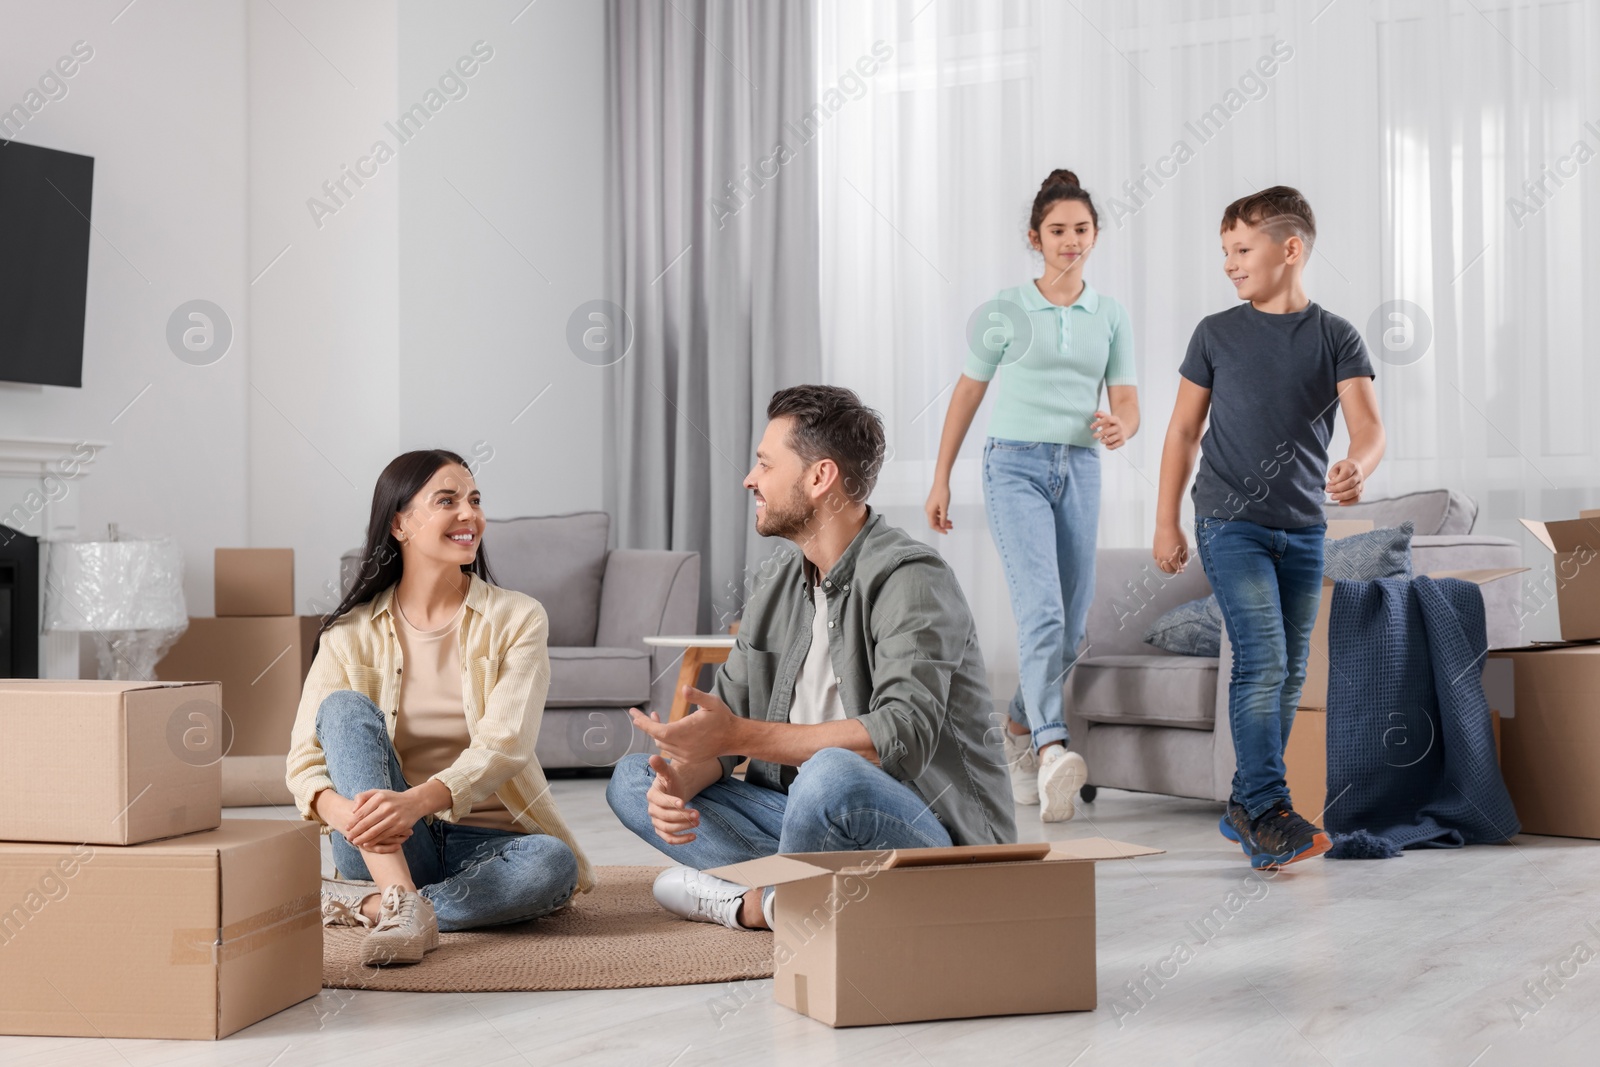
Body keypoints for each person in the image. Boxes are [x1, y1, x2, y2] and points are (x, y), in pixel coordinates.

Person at [608, 385, 1013, 931]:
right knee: (634, 777)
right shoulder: (776, 589)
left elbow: (900, 732)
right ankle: (794, 901)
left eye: (764, 464)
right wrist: (679, 779)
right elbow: (722, 732)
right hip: (804, 823)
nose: (750, 479)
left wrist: (736, 737)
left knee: (830, 776)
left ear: (820, 478)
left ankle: (757, 902)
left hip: (924, 834)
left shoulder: (911, 578)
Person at [1152, 186, 1385, 869]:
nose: (1229, 261)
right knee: (1262, 661)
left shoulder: (1335, 335)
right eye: (1224, 250)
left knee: (1286, 674)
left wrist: (1355, 465)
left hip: (1303, 529)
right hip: (1229, 521)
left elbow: (1368, 427)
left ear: (1290, 250)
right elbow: (1182, 431)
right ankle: (1267, 808)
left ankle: (1246, 807)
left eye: (1242, 248)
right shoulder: (1215, 333)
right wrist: (1166, 521)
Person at [285, 450, 592, 965]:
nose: (469, 515)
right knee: (340, 708)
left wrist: (417, 801)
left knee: (550, 866)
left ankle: (381, 906)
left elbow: (506, 744)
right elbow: (303, 762)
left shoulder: (517, 618)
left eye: (474, 500)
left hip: (491, 842)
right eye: (447, 501)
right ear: (400, 523)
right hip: (387, 842)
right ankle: (398, 894)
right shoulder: (348, 634)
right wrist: (348, 816)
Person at [925, 168, 1141, 821]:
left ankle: (1016, 730)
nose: (1070, 240)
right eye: (1057, 230)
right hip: (1013, 466)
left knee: (1071, 628)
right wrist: (942, 476)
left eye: (1081, 229)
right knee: (1042, 610)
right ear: (1035, 237)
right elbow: (967, 393)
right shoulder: (1006, 310)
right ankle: (1051, 746)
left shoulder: (1109, 315)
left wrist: (1119, 426)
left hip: (1080, 467)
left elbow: (1126, 400)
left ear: (1095, 235)